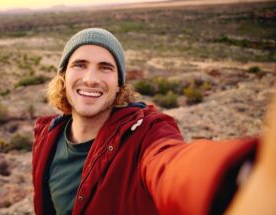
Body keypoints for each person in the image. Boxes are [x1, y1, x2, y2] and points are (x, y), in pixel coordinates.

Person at [32, 28, 275, 215]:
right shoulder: (48, 136)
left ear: (119, 85)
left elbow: (170, 167)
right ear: (63, 76)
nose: (91, 78)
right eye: (80, 65)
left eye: (105, 68)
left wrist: (243, 174)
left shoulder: (145, 133)